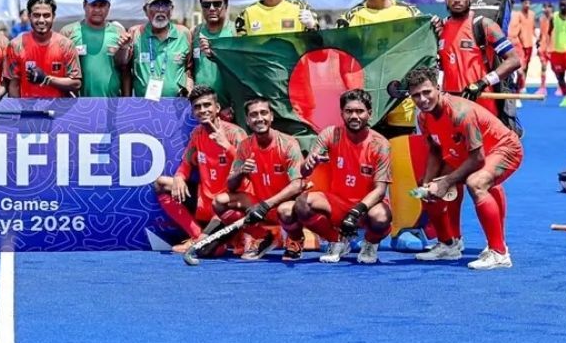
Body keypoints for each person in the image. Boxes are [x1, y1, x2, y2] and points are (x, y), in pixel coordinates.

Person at [405, 66, 521, 270]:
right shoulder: (424, 117)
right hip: (468, 152)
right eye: (416, 95)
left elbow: (478, 159)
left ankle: (499, 253)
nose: (422, 99)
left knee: (476, 183)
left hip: (503, 148)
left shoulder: (460, 113)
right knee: (427, 187)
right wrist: (428, 183)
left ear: (438, 88)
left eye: (427, 92)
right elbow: (435, 150)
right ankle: (449, 244)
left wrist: (446, 182)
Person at [283, 89, 392, 264]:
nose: (354, 116)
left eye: (359, 111)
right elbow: (304, 172)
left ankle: (370, 244)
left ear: (369, 114)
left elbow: (380, 190)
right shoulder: (330, 134)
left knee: (381, 216)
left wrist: (355, 212)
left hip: (366, 206)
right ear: (342, 113)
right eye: (349, 111)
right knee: (302, 204)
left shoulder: (381, 145)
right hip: (337, 202)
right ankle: (336, 241)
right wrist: (309, 164)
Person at [152, 85, 249, 253]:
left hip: (228, 204)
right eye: (197, 107)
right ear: (193, 112)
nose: (203, 110)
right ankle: (197, 236)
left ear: (217, 107)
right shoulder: (197, 134)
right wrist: (180, 177)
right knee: (161, 183)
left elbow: (247, 167)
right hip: (204, 201)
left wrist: (226, 146)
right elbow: (186, 163)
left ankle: (226, 239)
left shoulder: (236, 133)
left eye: (207, 105)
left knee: (207, 251)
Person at [217, 97, 304, 260]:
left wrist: (266, 205)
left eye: (263, 113)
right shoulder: (244, 146)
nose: (259, 118)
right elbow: (230, 186)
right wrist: (241, 171)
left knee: (285, 210)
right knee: (220, 201)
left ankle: (295, 240)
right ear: (248, 121)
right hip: (259, 205)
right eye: (254, 115)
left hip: (284, 206)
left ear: (271, 116)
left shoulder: (288, 143)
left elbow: (297, 185)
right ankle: (263, 236)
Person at [436, 0, 521, 119]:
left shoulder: (484, 25)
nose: (457, 0)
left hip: (483, 111)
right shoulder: (440, 28)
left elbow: (514, 60)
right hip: (452, 110)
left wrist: (483, 82)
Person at [59, 0, 130, 98]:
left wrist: (127, 101)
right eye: (93, 5)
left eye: (102, 5)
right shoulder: (68, 32)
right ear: (84, 5)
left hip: (111, 102)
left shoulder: (119, 33)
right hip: (77, 103)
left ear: (109, 7)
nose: (97, 10)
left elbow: (125, 69)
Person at [4, 0, 82, 98]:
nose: (41, 20)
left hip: (58, 107)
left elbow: (76, 83)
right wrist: (17, 108)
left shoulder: (66, 45)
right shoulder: (16, 45)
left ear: (53, 16)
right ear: (29, 16)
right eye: (36, 15)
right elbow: (13, 85)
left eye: (46, 15)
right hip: (27, 107)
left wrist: (46, 79)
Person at [122, 0, 192, 99]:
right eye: (155, 5)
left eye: (165, 5)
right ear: (145, 10)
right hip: (143, 104)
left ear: (171, 9)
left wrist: (189, 89)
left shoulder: (183, 34)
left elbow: (190, 68)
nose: (160, 10)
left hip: (177, 104)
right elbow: (126, 70)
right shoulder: (135, 33)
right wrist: (127, 101)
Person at [192, 0, 234, 107]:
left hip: (229, 107)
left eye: (217, 4)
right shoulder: (194, 33)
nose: (211, 8)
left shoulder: (236, 32)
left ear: (226, 5)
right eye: (206, 5)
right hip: (201, 108)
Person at [507, 0, 536, 93]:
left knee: (523, 68)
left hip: (525, 45)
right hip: (511, 45)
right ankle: (515, 87)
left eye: (529, 3)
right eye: (525, 3)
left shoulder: (525, 15)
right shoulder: (516, 15)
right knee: (516, 68)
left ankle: (520, 86)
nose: (527, 5)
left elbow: (528, 28)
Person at [537, 2, 555, 96]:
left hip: (553, 47)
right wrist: (538, 42)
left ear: (551, 8)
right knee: (543, 67)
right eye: (544, 7)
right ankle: (543, 87)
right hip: (543, 47)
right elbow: (541, 32)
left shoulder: (556, 19)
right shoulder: (542, 19)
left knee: (556, 69)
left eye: (547, 7)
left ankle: (561, 87)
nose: (545, 9)